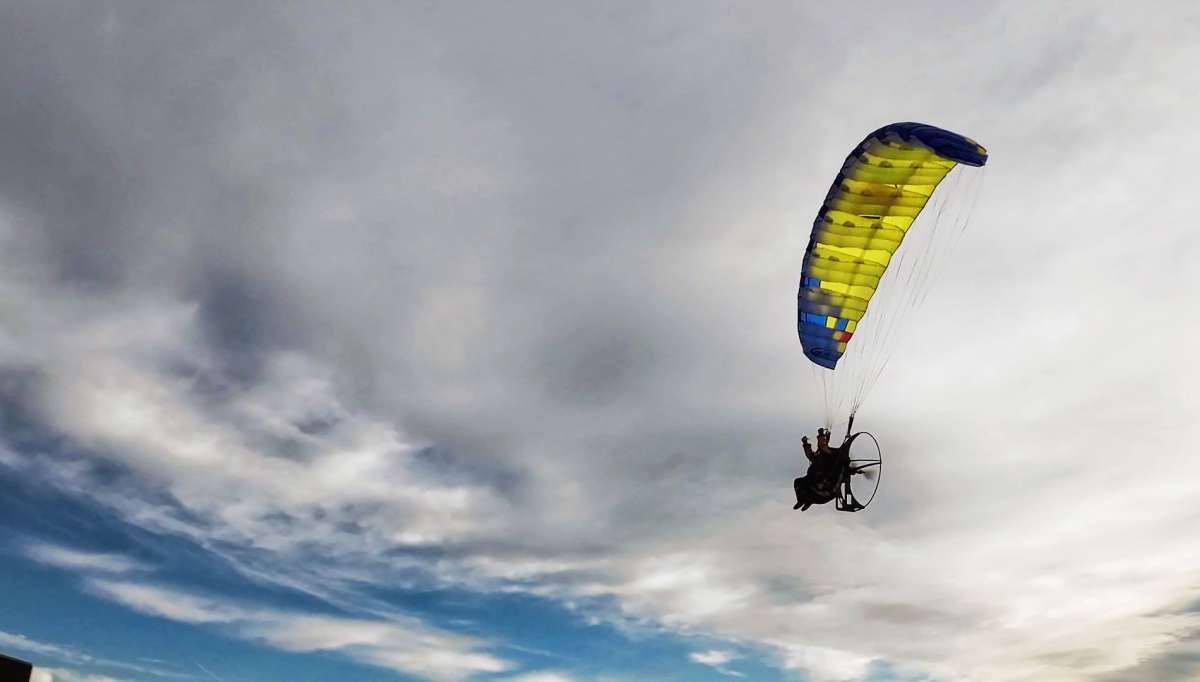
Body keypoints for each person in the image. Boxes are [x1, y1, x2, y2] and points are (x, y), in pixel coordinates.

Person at [793, 428, 842, 511]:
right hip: (812, 478)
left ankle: (809, 500)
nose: (820, 444)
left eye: (822, 441)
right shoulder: (817, 455)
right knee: (798, 482)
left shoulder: (832, 453)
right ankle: (802, 500)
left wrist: (822, 436)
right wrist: (805, 444)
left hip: (823, 481)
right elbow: (810, 455)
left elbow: (823, 446)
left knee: (810, 485)